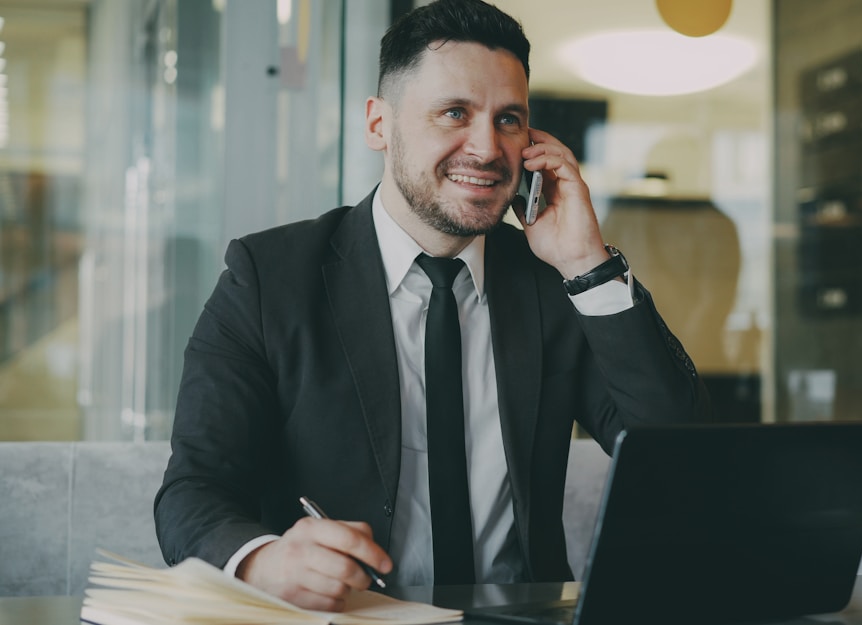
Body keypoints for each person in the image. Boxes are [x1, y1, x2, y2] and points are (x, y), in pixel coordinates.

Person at [154, 0, 712, 612]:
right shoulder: (268, 279)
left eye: (509, 120)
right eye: (454, 112)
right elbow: (193, 491)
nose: (487, 148)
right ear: (379, 125)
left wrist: (586, 263)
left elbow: (678, 451)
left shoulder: (554, 281)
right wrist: (262, 561)